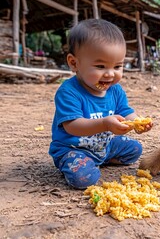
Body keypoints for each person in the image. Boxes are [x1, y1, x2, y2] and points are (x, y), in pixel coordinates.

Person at [49, 19, 153, 189]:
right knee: (84, 178)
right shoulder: (68, 92)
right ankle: (78, 163)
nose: (110, 74)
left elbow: (125, 110)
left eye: (118, 66)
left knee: (134, 149)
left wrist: (136, 122)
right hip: (73, 148)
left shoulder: (115, 90)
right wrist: (105, 124)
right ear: (74, 63)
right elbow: (72, 126)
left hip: (103, 145)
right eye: (100, 66)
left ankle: (100, 159)